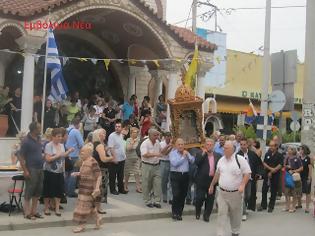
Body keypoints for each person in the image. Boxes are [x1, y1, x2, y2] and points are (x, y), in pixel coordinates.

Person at [209, 141, 251, 236]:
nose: (224, 149)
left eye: (227, 148)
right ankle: (220, 233)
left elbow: (247, 173)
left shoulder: (239, 160)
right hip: (222, 193)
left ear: (233, 149)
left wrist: (243, 185)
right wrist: (212, 185)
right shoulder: (221, 160)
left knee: (235, 215)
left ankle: (235, 232)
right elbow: (217, 174)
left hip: (236, 193)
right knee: (221, 214)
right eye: (224, 147)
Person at [43, 128, 74, 216]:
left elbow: (63, 157)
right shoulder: (49, 145)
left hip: (60, 171)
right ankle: (46, 208)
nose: (60, 138)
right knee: (48, 190)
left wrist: (69, 151)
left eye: (61, 136)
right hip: (50, 171)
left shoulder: (61, 145)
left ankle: (57, 208)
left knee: (59, 190)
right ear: (53, 137)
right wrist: (57, 155)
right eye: (58, 136)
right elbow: (48, 159)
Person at [72, 144, 102, 233]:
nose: (81, 153)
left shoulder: (93, 162)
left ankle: (81, 225)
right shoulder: (84, 161)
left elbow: (99, 175)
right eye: (80, 152)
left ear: (89, 153)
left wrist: (97, 188)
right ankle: (98, 218)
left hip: (90, 189)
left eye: (83, 152)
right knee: (90, 207)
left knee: (83, 208)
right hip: (82, 187)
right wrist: (77, 173)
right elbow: (86, 173)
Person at [18, 122, 44, 220]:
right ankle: (27, 213)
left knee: (38, 192)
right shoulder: (26, 141)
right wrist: (25, 170)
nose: (40, 130)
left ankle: (34, 211)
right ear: (34, 130)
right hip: (31, 168)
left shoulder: (38, 139)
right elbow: (20, 156)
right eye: (39, 128)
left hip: (40, 168)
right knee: (29, 191)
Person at [195, 138, 221, 222]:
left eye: (211, 145)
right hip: (201, 180)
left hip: (212, 180)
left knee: (210, 199)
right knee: (200, 197)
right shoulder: (200, 153)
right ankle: (198, 210)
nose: (209, 146)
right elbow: (197, 163)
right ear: (205, 145)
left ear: (213, 146)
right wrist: (203, 154)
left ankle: (207, 215)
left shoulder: (218, 155)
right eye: (207, 144)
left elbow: (219, 167)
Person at [237, 138, 263, 220]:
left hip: (250, 178)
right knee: (243, 195)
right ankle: (243, 212)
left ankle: (243, 207)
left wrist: (259, 173)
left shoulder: (252, 154)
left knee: (248, 195)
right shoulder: (237, 155)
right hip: (241, 179)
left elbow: (259, 164)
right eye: (241, 144)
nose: (243, 146)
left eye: (244, 144)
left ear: (247, 145)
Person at [169, 138, 195, 221]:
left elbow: (192, 161)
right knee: (176, 194)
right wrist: (183, 157)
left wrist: (188, 155)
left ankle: (179, 213)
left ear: (184, 145)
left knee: (183, 195)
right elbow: (175, 164)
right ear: (176, 145)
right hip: (175, 175)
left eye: (182, 144)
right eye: (179, 144)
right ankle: (174, 212)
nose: (180, 146)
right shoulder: (172, 153)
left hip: (185, 175)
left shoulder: (186, 153)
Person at [258, 140, 284, 213]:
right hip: (267, 174)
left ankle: (271, 206)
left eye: (272, 146)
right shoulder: (267, 154)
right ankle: (263, 205)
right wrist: (270, 169)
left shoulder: (279, 155)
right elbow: (264, 163)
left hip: (275, 175)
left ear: (276, 146)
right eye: (270, 145)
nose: (271, 147)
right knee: (264, 190)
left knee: (273, 191)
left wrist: (273, 170)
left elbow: (281, 164)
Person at [140, 128, 162, 208]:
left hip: (156, 165)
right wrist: (156, 154)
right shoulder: (145, 143)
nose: (157, 137)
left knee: (158, 184)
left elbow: (161, 152)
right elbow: (144, 154)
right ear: (149, 135)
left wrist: (169, 147)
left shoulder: (157, 143)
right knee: (146, 184)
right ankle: (147, 200)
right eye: (155, 135)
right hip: (147, 165)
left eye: (157, 135)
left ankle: (157, 201)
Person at [92, 129, 114, 208]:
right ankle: (98, 207)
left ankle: (96, 207)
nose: (105, 135)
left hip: (96, 168)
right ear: (98, 135)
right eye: (103, 134)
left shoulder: (94, 144)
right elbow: (103, 159)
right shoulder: (99, 145)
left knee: (97, 187)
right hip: (101, 168)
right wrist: (111, 158)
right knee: (100, 188)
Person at [65, 118, 85, 197]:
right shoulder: (76, 131)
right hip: (74, 155)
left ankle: (65, 190)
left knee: (67, 174)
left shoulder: (66, 130)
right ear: (78, 124)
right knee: (73, 174)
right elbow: (81, 144)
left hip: (66, 154)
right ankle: (70, 192)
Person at [107, 120, 127, 195]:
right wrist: (114, 158)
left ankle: (121, 189)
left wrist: (124, 156)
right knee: (113, 175)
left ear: (122, 128)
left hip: (122, 159)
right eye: (116, 126)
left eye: (119, 127)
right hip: (114, 159)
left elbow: (121, 146)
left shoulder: (121, 135)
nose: (117, 128)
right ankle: (113, 190)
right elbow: (111, 148)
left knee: (120, 175)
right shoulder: (112, 136)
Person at [283, 146, 303, 213]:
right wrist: (286, 166)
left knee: (294, 192)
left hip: (294, 177)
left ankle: (293, 207)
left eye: (289, 149)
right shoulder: (287, 158)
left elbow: (301, 168)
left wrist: (294, 171)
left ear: (292, 150)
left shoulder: (297, 159)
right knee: (286, 192)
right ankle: (287, 206)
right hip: (287, 176)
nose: (287, 150)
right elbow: (284, 166)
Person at [124, 127, 142, 193]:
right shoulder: (128, 139)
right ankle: (125, 186)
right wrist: (133, 142)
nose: (136, 134)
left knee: (137, 173)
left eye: (137, 132)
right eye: (135, 132)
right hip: (129, 158)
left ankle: (138, 187)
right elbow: (128, 148)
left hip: (136, 158)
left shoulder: (139, 140)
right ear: (131, 133)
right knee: (127, 173)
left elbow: (139, 149)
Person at [298, 145, 313, 213]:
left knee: (307, 192)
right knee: (299, 192)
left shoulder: (309, 158)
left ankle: (307, 207)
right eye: (299, 149)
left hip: (306, 177)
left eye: (301, 149)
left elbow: (310, 169)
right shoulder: (298, 158)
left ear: (304, 150)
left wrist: (309, 177)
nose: (300, 151)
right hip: (299, 177)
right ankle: (299, 204)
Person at [160, 132, 173, 204]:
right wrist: (169, 146)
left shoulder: (173, 143)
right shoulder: (161, 144)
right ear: (164, 137)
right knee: (163, 181)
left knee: (171, 180)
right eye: (167, 136)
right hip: (163, 162)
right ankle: (164, 195)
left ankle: (171, 197)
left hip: (171, 163)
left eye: (169, 136)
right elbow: (164, 153)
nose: (168, 137)